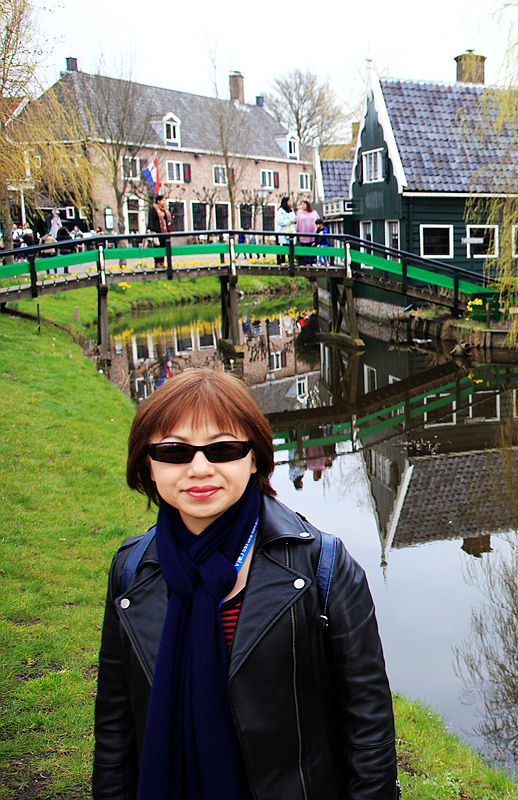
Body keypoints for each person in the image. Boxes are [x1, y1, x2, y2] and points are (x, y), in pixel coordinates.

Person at [93, 368, 397, 799]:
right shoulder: (130, 572)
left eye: (224, 449)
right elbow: (115, 729)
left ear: (254, 457)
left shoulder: (322, 568)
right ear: (149, 462)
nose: (200, 468)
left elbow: (369, 729)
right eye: (175, 452)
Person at [146, 195, 171, 268]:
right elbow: (151, 219)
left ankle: (162, 262)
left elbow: (168, 218)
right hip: (157, 231)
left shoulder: (165, 210)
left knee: (164, 246)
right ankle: (157, 262)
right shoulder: (153, 209)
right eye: (163, 201)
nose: (164, 202)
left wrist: (170, 222)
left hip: (164, 231)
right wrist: (152, 230)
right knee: (157, 246)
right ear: (158, 201)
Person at [296, 200, 319, 265]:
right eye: (302, 205)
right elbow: (297, 223)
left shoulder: (314, 212)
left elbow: (318, 221)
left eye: (304, 204)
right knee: (305, 248)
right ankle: (306, 262)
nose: (303, 206)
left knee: (313, 248)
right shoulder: (300, 213)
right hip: (303, 234)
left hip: (312, 234)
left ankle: (313, 261)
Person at [275, 196, 296, 265]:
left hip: (291, 230)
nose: (290, 203)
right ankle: (282, 261)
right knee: (284, 245)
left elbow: (294, 217)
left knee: (291, 246)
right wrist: (290, 221)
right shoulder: (280, 211)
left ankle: (291, 261)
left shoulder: (291, 210)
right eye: (289, 201)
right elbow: (280, 221)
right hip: (284, 231)